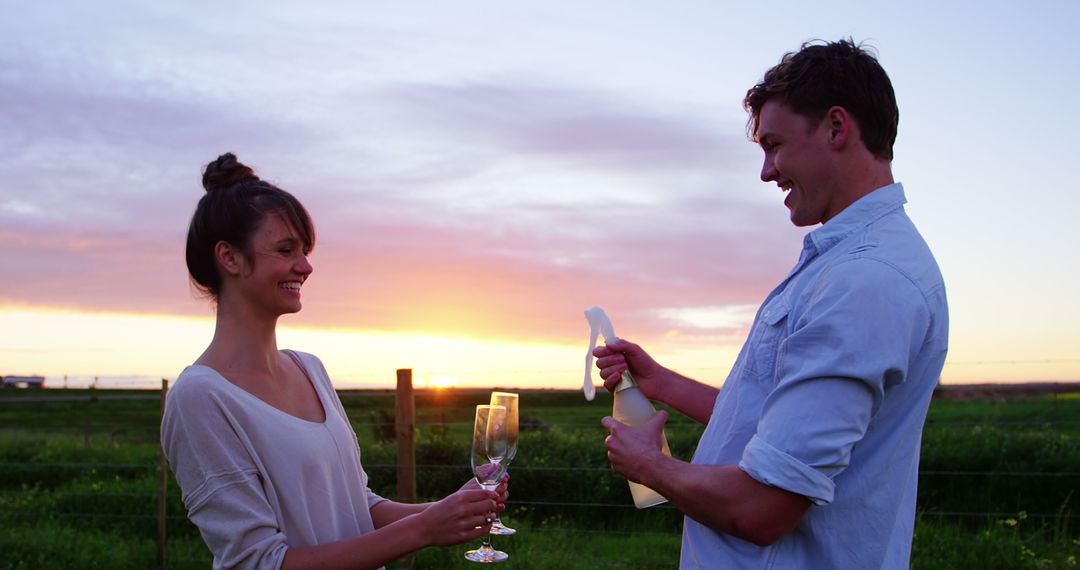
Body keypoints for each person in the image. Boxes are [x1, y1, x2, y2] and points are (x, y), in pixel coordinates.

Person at [594, 39, 949, 569]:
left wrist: (650, 466)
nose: (766, 170)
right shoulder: (845, 263)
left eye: (775, 144)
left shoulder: (865, 280)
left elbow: (763, 508)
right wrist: (661, 383)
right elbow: (782, 430)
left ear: (836, 127)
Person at [162, 153, 507, 570]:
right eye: (286, 249)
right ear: (230, 258)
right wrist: (423, 530)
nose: (305, 266)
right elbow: (259, 563)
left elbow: (357, 507)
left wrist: (450, 508)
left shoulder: (310, 369)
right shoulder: (200, 396)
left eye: (305, 250)